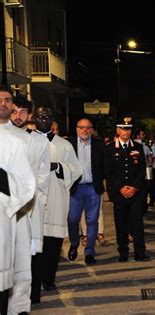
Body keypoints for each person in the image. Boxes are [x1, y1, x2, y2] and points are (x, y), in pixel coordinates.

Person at [33, 107, 83, 293]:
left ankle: (49, 279)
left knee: (53, 244)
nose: (44, 119)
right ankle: (34, 280)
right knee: (34, 244)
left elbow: (76, 169)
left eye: (47, 117)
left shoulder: (64, 145)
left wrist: (59, 167)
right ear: (34, 118)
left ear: (53, 120)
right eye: (40, 116)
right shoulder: (26, 141)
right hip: (34, 201)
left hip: (55, 199)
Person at [8, 95, 50, 309]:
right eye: (14, 111)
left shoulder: (39, 141)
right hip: (4, 207)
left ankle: (21, 306)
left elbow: (43, 175)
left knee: (26, 259)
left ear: (30, 115)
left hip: (28, 209)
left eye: (23, 112)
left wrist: (34, 203)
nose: (18, 116)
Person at [0, 88, 36, 314]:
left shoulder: (16, 142)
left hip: (3, 214)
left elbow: (26, 185)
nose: (2, 103)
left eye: (7, 100)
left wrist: (3, 179)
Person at [104, 117, 149, 261]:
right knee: (121, 223)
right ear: (118, 130)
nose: (126, 132)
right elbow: (109, 172)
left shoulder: (138, 147)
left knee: (137, 223)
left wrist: (134, 187)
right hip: (119, 193)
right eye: (123, 129)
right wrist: (121, 187)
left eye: (128, 129)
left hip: (135, 193)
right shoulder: (110, 148)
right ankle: (123, 252)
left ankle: (140, 252)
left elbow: (142, 170)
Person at [67, 118, 105, 266]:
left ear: (92, 130)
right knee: (72, 219)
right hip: (75, 188)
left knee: (92, 221)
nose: (85, 130)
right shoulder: (69, 144)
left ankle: (89, 251)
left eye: (88, 127)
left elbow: (105, 166)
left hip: (92, 188)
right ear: (76, 129)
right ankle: (74, 243)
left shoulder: (99, 145)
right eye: (82, 127)